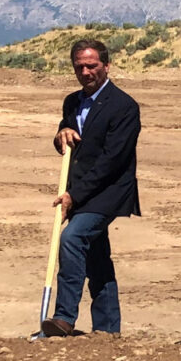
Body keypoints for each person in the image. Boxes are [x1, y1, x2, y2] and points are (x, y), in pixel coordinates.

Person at [41, 38, 141, 336]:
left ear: (106, 66)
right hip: (81, 188)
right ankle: (108, 330)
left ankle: (63, 318)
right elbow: (66, 141)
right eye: (79, 67)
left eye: (92, 66)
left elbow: (112, 160)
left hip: (109, 192)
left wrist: (74, 195)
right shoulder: (72, 101)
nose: (85, 72)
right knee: (97, 260)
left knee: (72, 238)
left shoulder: (124, 106)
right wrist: (62, 132)